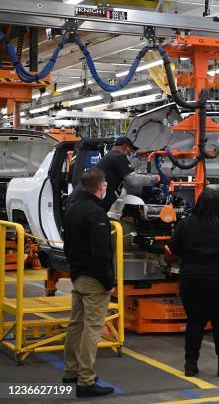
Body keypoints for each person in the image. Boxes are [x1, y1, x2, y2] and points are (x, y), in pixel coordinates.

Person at [166, 189, 219, 378]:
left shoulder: (185, 225)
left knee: (195, 322)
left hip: (192, 280)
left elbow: (170, 253)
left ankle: (190, 365)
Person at [63, 168, 115, 398]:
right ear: (101, 186)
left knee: (76, 325)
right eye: (105, 185)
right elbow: (101, 252)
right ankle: (85, 380)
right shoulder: (96, 213)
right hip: (95, 279)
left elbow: (67, 244)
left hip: (78, 276)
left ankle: (70, 372)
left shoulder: (73, 208)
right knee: (92, 329)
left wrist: (73, 272)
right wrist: (108, 281)